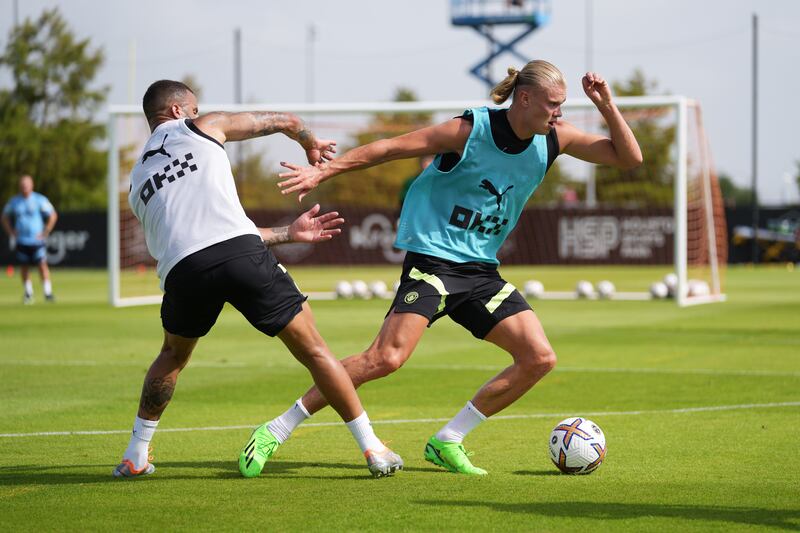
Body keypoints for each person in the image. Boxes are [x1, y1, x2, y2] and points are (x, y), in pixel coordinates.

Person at [272, 60, 643, 475]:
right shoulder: (470, 130)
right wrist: (324, 171)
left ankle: (447, 440)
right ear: (524, 99)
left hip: (481, 271)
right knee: (385, 359)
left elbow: (629, 159)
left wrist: (608, 104)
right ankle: (279, 427)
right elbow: (391, 148)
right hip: (433, 260)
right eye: (553, 104)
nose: (559, 113)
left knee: (539, 357)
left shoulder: (555, 138)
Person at [114, 80, 403, 479]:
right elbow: (280, 120)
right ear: (179, 111)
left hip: (183, 272)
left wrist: (288, 234)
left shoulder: (136, 182)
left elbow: (200, 239)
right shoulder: (200, 128)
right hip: (239, 254)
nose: (200, 114)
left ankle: (135, 454)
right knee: (316, 351)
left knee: (172, 356)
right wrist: (308, 141)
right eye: (195, 108)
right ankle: (372, 448)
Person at [2, 175, 58, 304]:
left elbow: (53, 215)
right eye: (22, 185)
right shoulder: (14, 201)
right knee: (24, 266)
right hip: (22, 240)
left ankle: (47, 292)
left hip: (37, 241)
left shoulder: (39, 199)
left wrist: (46, 231)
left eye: (27, 185)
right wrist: (11, 232)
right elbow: (4, 217)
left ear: (32, 185)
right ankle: (28, 293)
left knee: (42, 265)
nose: (24, 187)